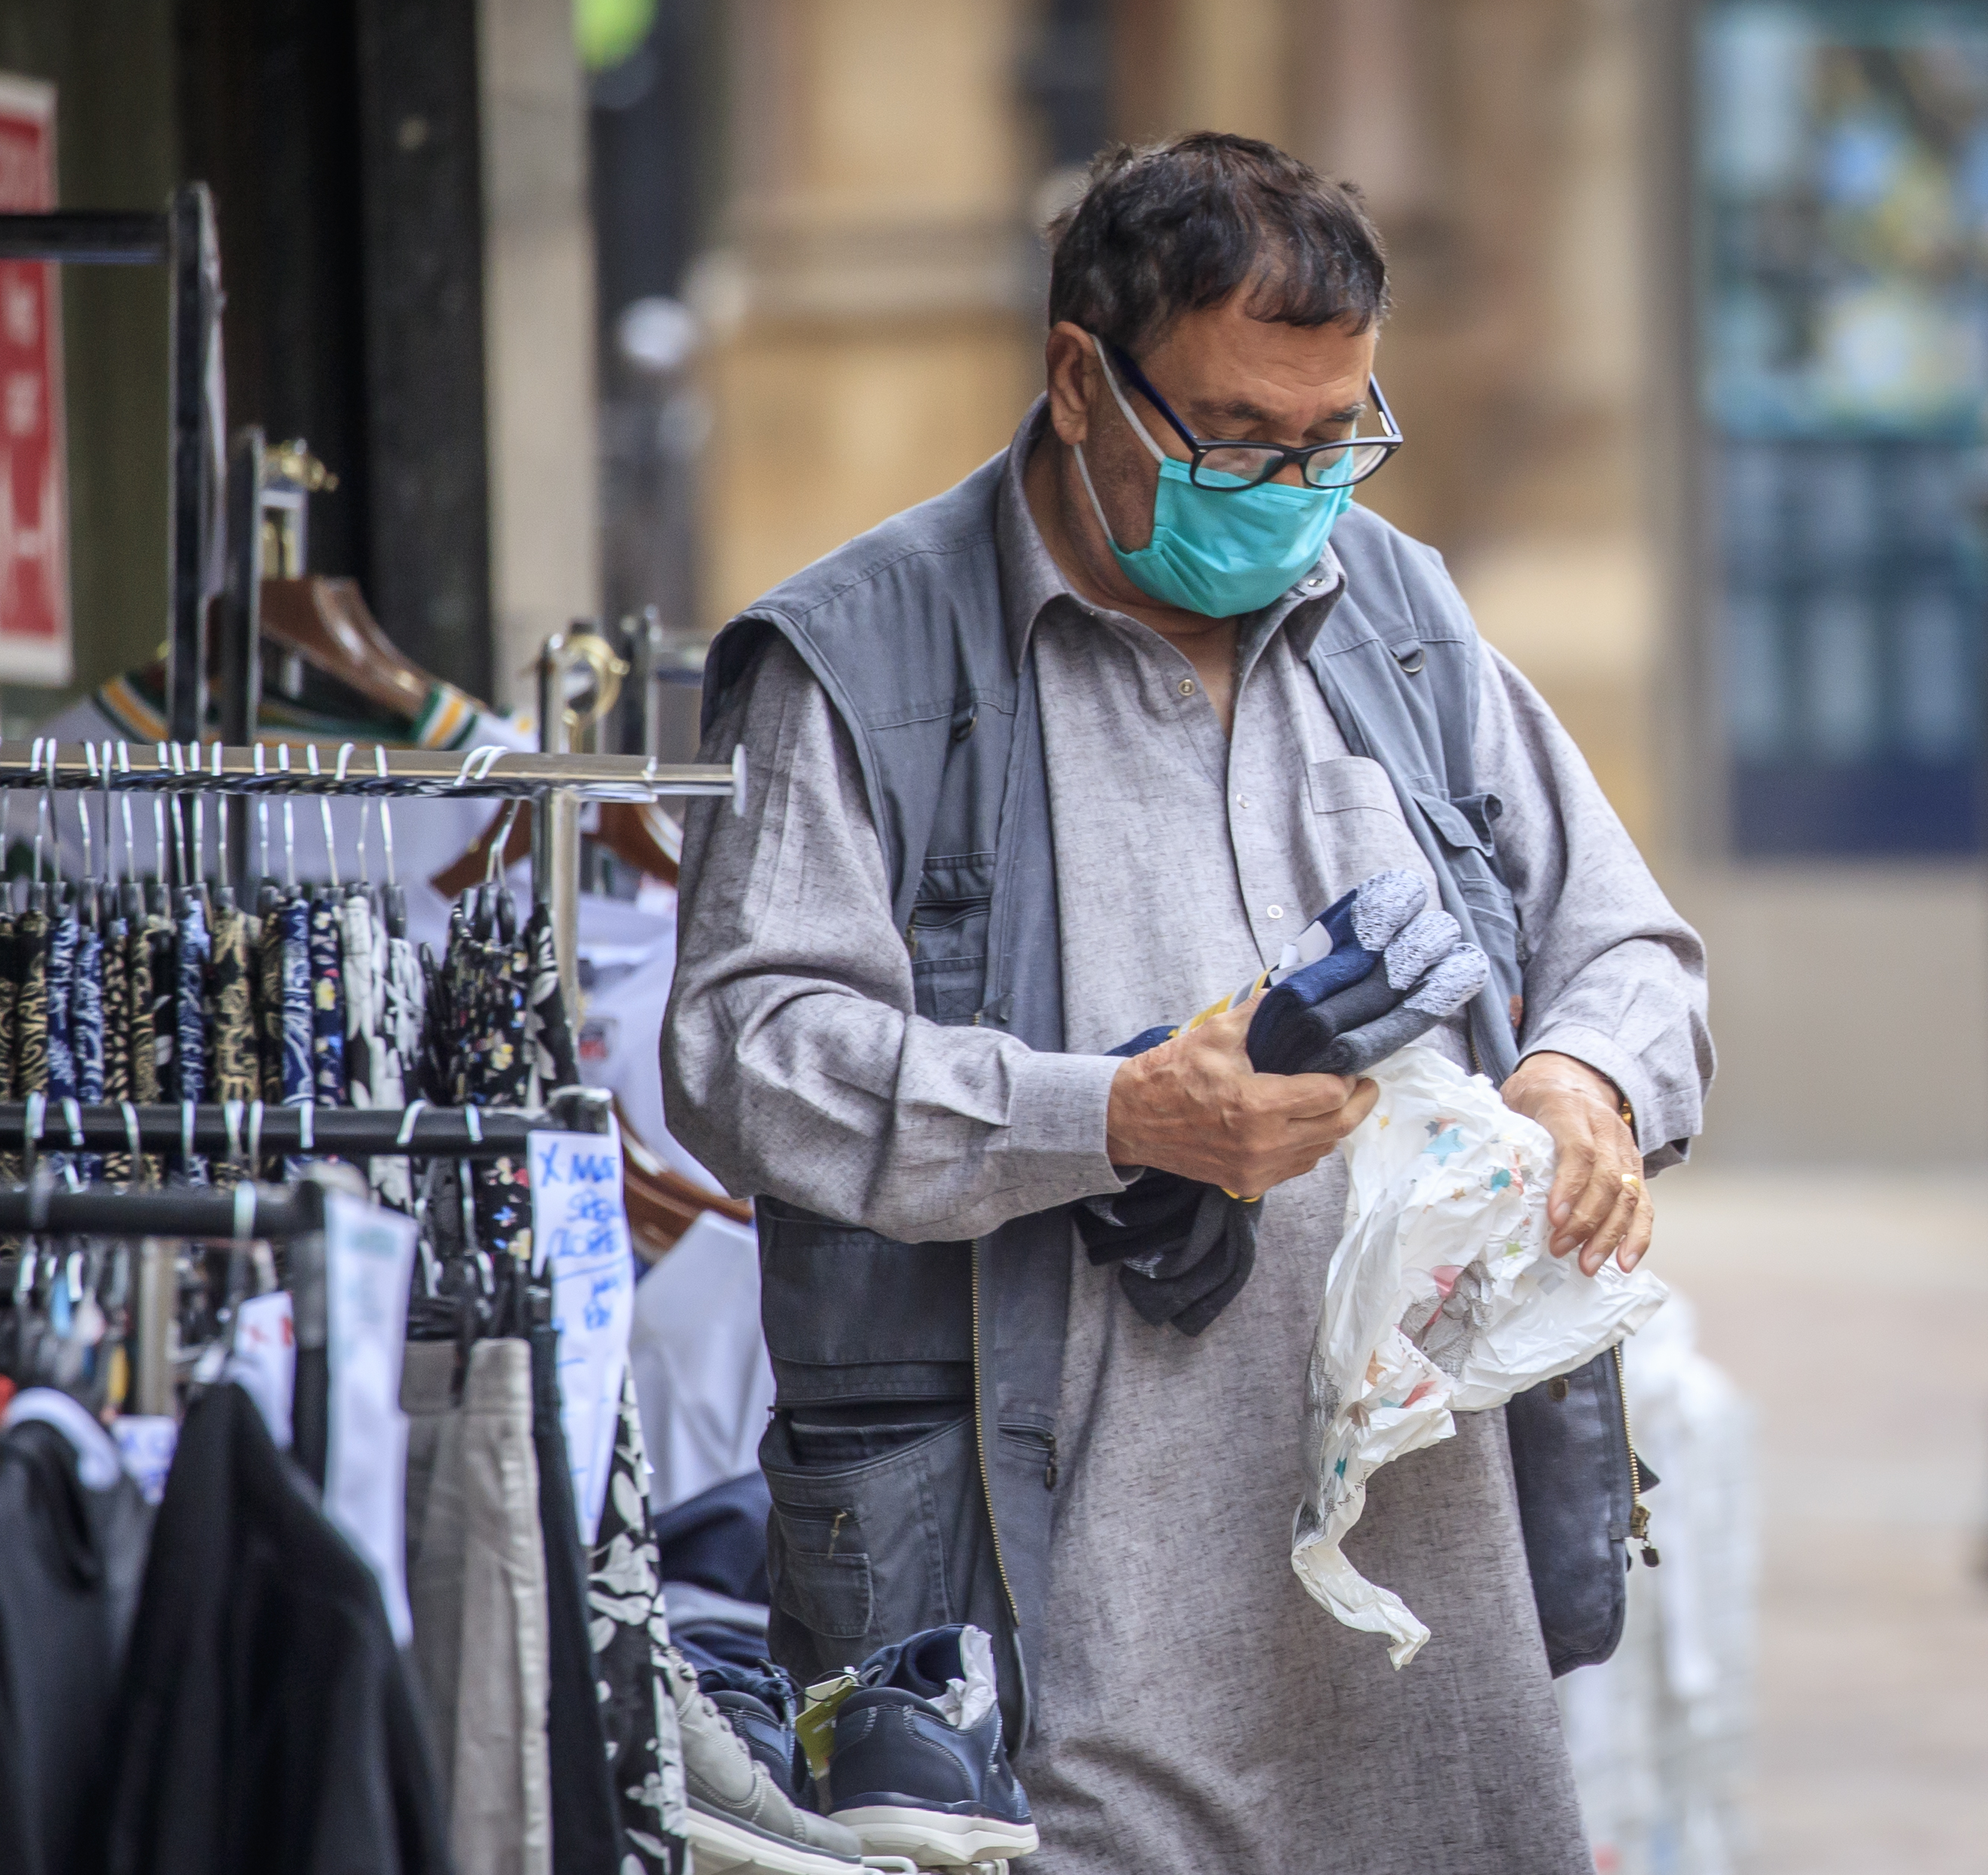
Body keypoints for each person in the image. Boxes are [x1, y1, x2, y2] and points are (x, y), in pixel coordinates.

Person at [662, 133, 1711, 1875]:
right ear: (1080, 379)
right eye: (1237, 440)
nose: (1297, 489)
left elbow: (1626, 945)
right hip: (1063, 1630)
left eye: (1333, 441)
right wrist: (1115, 1114)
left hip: (1429, 1629)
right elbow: (748, 1048)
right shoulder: (859, 660)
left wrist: (1583, 1081)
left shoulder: (1403, 619)